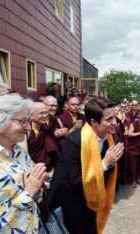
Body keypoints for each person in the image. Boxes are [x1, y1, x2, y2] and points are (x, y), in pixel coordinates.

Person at [0, 94, 50, 233]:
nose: (28, 128)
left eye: (28, 122)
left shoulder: (19, 151)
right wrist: (27, 193)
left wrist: (38, 183)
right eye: (22, 121)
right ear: (0, 120)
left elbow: (33, 194)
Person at [49, 97, 124, 234]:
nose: (115, 123)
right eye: (109, 119)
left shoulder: (110, 138)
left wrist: (110, 163)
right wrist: (105, 163)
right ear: (94, 122)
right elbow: (76, 181)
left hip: (91, 197)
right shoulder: (75, 141)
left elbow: (109, 170)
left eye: (115, 117)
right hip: (69, 200)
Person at [28, 102, 60, 172]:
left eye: (46, 112)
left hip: (46, 169)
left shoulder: (45, 129)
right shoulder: (26, 131)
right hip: (31, 170)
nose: (45, 115)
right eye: (41, 113)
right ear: (32, 116)